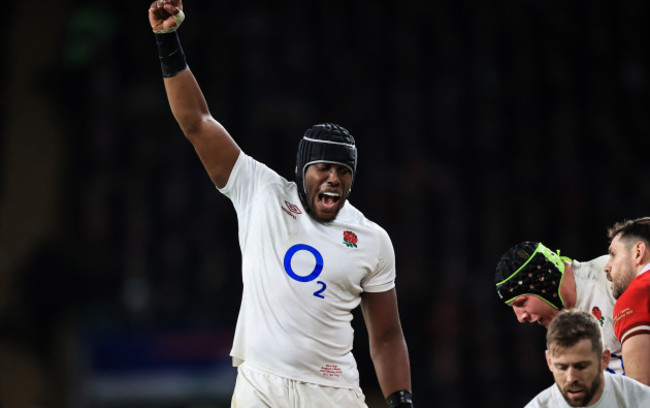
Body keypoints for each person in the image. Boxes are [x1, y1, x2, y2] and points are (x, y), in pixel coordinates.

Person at [147, 1, 413, 407]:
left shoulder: (372, 239)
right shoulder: (260, 191)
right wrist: (167, 40)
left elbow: (388, 335)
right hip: (260, 385)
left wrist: (401, 401)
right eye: (323, 167)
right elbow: (197, 122)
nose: (334, 179)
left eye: (344, 171)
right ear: (300, 170)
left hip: (332, 393)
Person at [494, 241, 623, 374]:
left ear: (544, 281)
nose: (521, 318)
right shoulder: (562, 331)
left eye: (521, 303)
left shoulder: (612, 276)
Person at [524, 309, 650, 408]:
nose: (571, 378)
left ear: (604, 360)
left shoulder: (642, 400)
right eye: (562, 367)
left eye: (581, 366)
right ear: (549, 362)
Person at [604, 216, 650, 386]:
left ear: (638, 252)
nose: (606, 266)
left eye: (613, 254)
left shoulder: (636, 295)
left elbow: (641, 393)